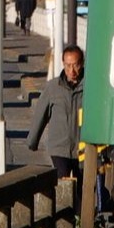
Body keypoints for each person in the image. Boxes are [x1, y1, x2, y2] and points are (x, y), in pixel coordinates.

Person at [26, 45, 85, 183]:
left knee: (82, 188)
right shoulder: (53, 87)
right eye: (68, 65)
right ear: (63, 64)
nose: (72, 70)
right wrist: (32, 141)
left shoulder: (89, 87)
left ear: (82, 63)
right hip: (59, 147)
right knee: (62, 184)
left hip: (82, 148)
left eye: (75, 65)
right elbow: (41, 114)